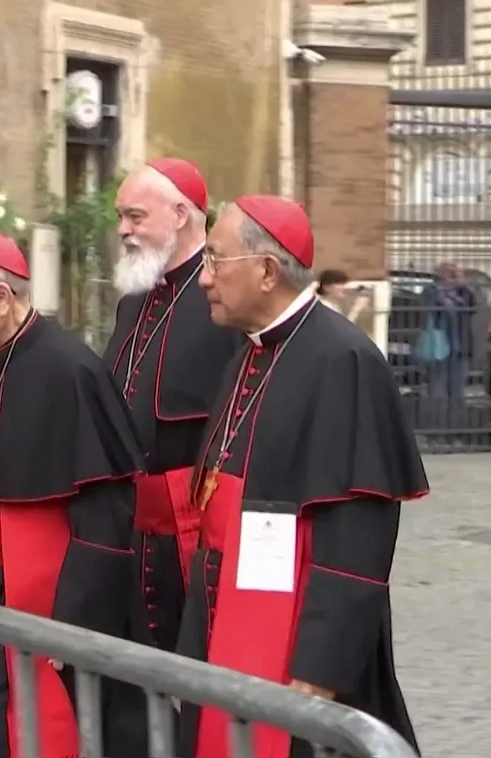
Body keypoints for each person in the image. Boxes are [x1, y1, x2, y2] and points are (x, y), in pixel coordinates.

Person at [176, 196, 429, 758]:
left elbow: (357, 536)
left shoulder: (344, 360)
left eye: (216, 261)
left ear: (266, 271)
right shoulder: (247, 354)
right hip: (228, 609)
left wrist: (321, 665)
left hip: (293, 636)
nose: (204, 280)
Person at [0, 234, 148, 758]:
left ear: (3, 296)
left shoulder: (70, 369)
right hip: (6, 588)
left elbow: (107, 508)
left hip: (61, 599)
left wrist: (77, 617)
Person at [102, 157, 244, 652]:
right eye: (121, 217)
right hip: (129, 525)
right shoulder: (134, 301)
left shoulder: (227, 302)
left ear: (181, 214)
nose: (123, 229)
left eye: (135, 216)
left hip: (191, 527)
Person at [420, 261, 478, 447]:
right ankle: (436, 434)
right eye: (449, 271)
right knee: (438, 393)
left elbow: (474, 307)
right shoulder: (431, 291)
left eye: (456, 271)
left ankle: (455, 434)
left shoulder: (463, 292)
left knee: (457, 394)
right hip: (439, 349)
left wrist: (463, 284)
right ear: (439, 273)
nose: (452, 274)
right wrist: (444, 292)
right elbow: (431, 310)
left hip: (460, 349)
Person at [313, 268, 373, 333]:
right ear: (326, 287)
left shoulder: (333, 305)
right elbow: (342, 331)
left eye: (344, 284)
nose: (344, 287)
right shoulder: (324, 308)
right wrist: (356, 309)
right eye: (340, 284)